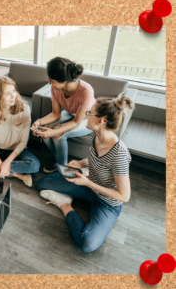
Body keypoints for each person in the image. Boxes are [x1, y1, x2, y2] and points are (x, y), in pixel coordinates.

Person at [37, 95, 133, 253]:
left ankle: (64, 204)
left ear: (100, 121)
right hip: (88, 185)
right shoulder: (96, 135)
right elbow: (95, 157)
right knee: (43, 183)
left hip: (107, 202)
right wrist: (82, 163)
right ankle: (72, 195)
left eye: (90, 113)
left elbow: (124, 196)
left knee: (86, 242)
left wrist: (88, 183)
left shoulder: (119, 155)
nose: (86, 115)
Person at [32, 57, 95, 173]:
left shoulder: (86, 90)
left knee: (58, 134)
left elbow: (77, 121)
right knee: (46, 130)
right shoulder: (55, 87)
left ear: (63, 81)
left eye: (52, 80)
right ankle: (58, 160)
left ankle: (63, 167)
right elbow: (56, 114)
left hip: (89, 118)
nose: (49, 83)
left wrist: (55, 132)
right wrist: (39, 122)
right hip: (71, 113)